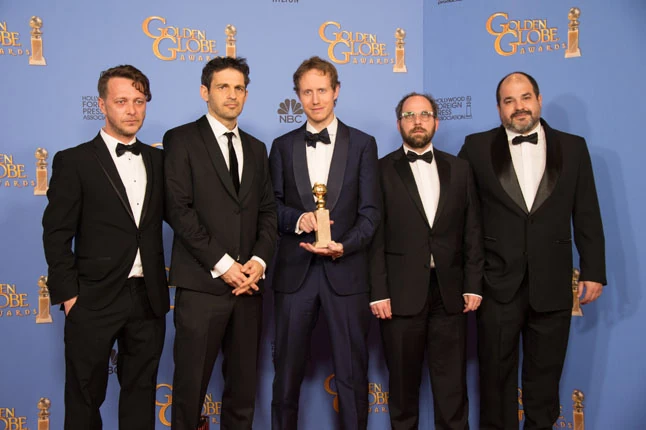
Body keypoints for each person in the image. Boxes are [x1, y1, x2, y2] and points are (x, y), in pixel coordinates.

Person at [458, 72, 606, 430]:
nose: (518, 106)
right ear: (498, 108)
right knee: (495, 381)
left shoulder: (573, 147)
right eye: (508, 100)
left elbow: (586, 211)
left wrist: (593, 270)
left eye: (525, 97)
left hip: (552, 282)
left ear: (539, 100)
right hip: (496, 284)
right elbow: (460, 213)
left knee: (545, 380)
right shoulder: (476, 147)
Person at [42, 64, 168, 430]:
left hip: (148, 297)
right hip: (92, 298)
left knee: (140, 397)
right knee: (84, 399)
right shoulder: (74, 161)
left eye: (139, 101)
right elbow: (56, 234)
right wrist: (70, 297)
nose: (132, 110)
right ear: (102, 105)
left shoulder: (160, 161)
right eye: (122, 101)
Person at [163, 56, 277, 430]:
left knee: (243, 394)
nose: (232, 95)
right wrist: (224, 265)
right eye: (223, 86)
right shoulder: (181, 139)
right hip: (202, 286)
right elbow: (179, 211)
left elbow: (267, 212)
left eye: (239, 88)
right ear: (205, 91)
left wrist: (259, 261)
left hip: (249, 288)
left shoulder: (257, 148)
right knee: (189, 391)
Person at [269, 56, 380, 430]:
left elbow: (370, 213)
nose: (315, 99)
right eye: (307, 92)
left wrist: (343, 246)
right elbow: (271, 208)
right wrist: (297, 220)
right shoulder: (281, 146)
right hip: (294, 275)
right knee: (286, 377)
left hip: (345, 274)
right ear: (298, 96)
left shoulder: (363, 144)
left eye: (321, 90)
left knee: (351, 376)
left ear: (336, 91)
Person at [370, 92, 483, 430]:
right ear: (398, 124)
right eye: (409, 115)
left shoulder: (460, 169)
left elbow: (472, 229)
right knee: (403, 392)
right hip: (399, 295)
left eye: (424, 114)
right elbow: (374, 236)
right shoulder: (379, 170)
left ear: (436, 121)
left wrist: (473, 284)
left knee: (452, 390)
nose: (417, 121)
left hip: (450, 294)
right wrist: (378, 291)